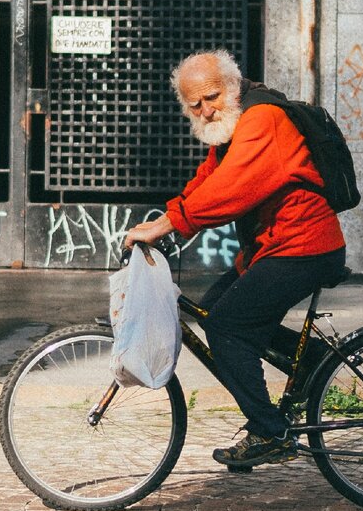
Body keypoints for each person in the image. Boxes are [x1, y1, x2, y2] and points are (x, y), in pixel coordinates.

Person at [123, 49, 346, 468]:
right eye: (195, 105)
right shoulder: (234, 127)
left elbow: (232, 190)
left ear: (233, 86)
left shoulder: (263, 120)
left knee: (227, 328)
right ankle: (315, 359)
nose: (206, 110)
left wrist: (170, 224)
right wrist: (165, 219)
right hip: (277, 246)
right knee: (211, 311)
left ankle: (270, 432)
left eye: (212, 97)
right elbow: (210, 181)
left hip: (304, 247)